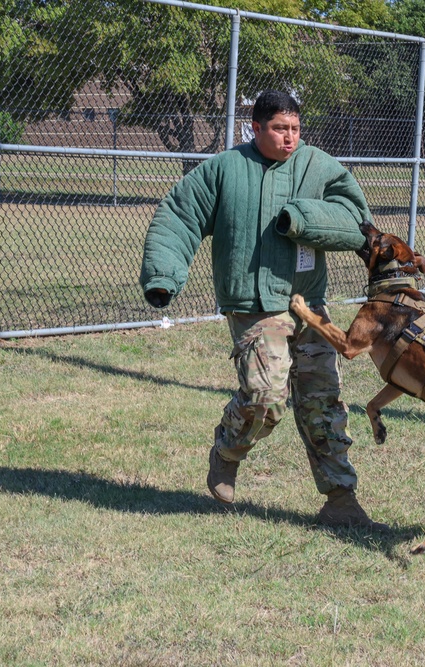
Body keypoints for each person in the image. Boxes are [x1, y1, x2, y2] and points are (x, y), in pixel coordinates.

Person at [139, 90, 386, 529]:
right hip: (253, 306)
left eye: (294, 128)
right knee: (267, 397)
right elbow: (180, 215)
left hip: (308, 305)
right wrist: (163, 276)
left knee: (323, 400)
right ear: (255, 128)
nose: (289, 138)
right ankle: (227, 453)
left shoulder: (318, 165)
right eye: (278, 129)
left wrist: (304, 219)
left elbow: (356, 220)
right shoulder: (225, 169)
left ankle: (341, 499)